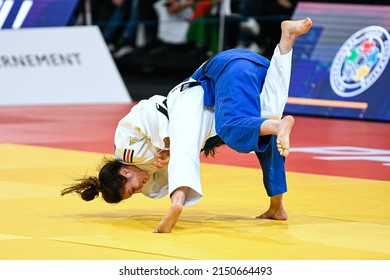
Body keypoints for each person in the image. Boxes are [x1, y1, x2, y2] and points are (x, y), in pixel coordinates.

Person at [61, 18, 312, 233]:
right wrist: (165, 154)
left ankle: (177, 204)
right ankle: (276, 207)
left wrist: (165, 146)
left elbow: (150, 112)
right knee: (265, 124)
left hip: (217, 73)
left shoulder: (127, 148)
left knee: (229, 130)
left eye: (131, 190)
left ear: (125, 172)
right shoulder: (150, 174)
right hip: (252, 70)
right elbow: (162, 179)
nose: (138, 191)